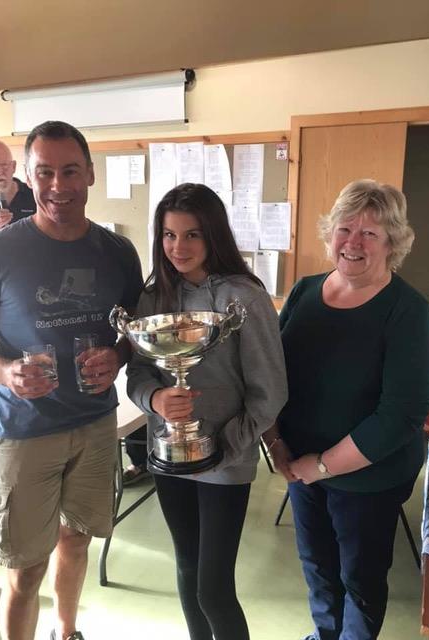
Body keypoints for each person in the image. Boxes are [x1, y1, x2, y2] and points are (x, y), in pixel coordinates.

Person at [0, 121, 143, 640]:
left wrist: (119, 354)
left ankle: (67, 632)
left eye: (69, 171)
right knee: (25, 567)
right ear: (28, 175)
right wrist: (3, 370)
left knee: (78, 540)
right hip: (24, 428)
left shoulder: (116, 253)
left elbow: (132, 331)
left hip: (94, 423)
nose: (58, 186)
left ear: (90, 173)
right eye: (45, 172)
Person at [264, 179, 429, 640]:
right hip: (300, 465)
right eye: (345, 229)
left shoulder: (408, 311)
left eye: (370, 233)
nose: (353, 243)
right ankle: (324, 635)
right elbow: (272, 374)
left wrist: (319, 465)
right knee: (317, 566)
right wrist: (278, 444)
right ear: (330, 233)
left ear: (392, 244)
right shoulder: (304, 292)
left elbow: (399, 416)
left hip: (367, 478)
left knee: (358, 579)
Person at [127, 183, 287, 640]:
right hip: (168, 457)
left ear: (213, 235)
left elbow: (270, 391)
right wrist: (155, 401)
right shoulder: (154, 296)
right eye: (169, 235)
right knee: (185, 568)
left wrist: (225, 444)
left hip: (226, 461)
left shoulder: (243, 298)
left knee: (214, 589)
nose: (179, 247)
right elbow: (137, 374)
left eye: (192, 235)